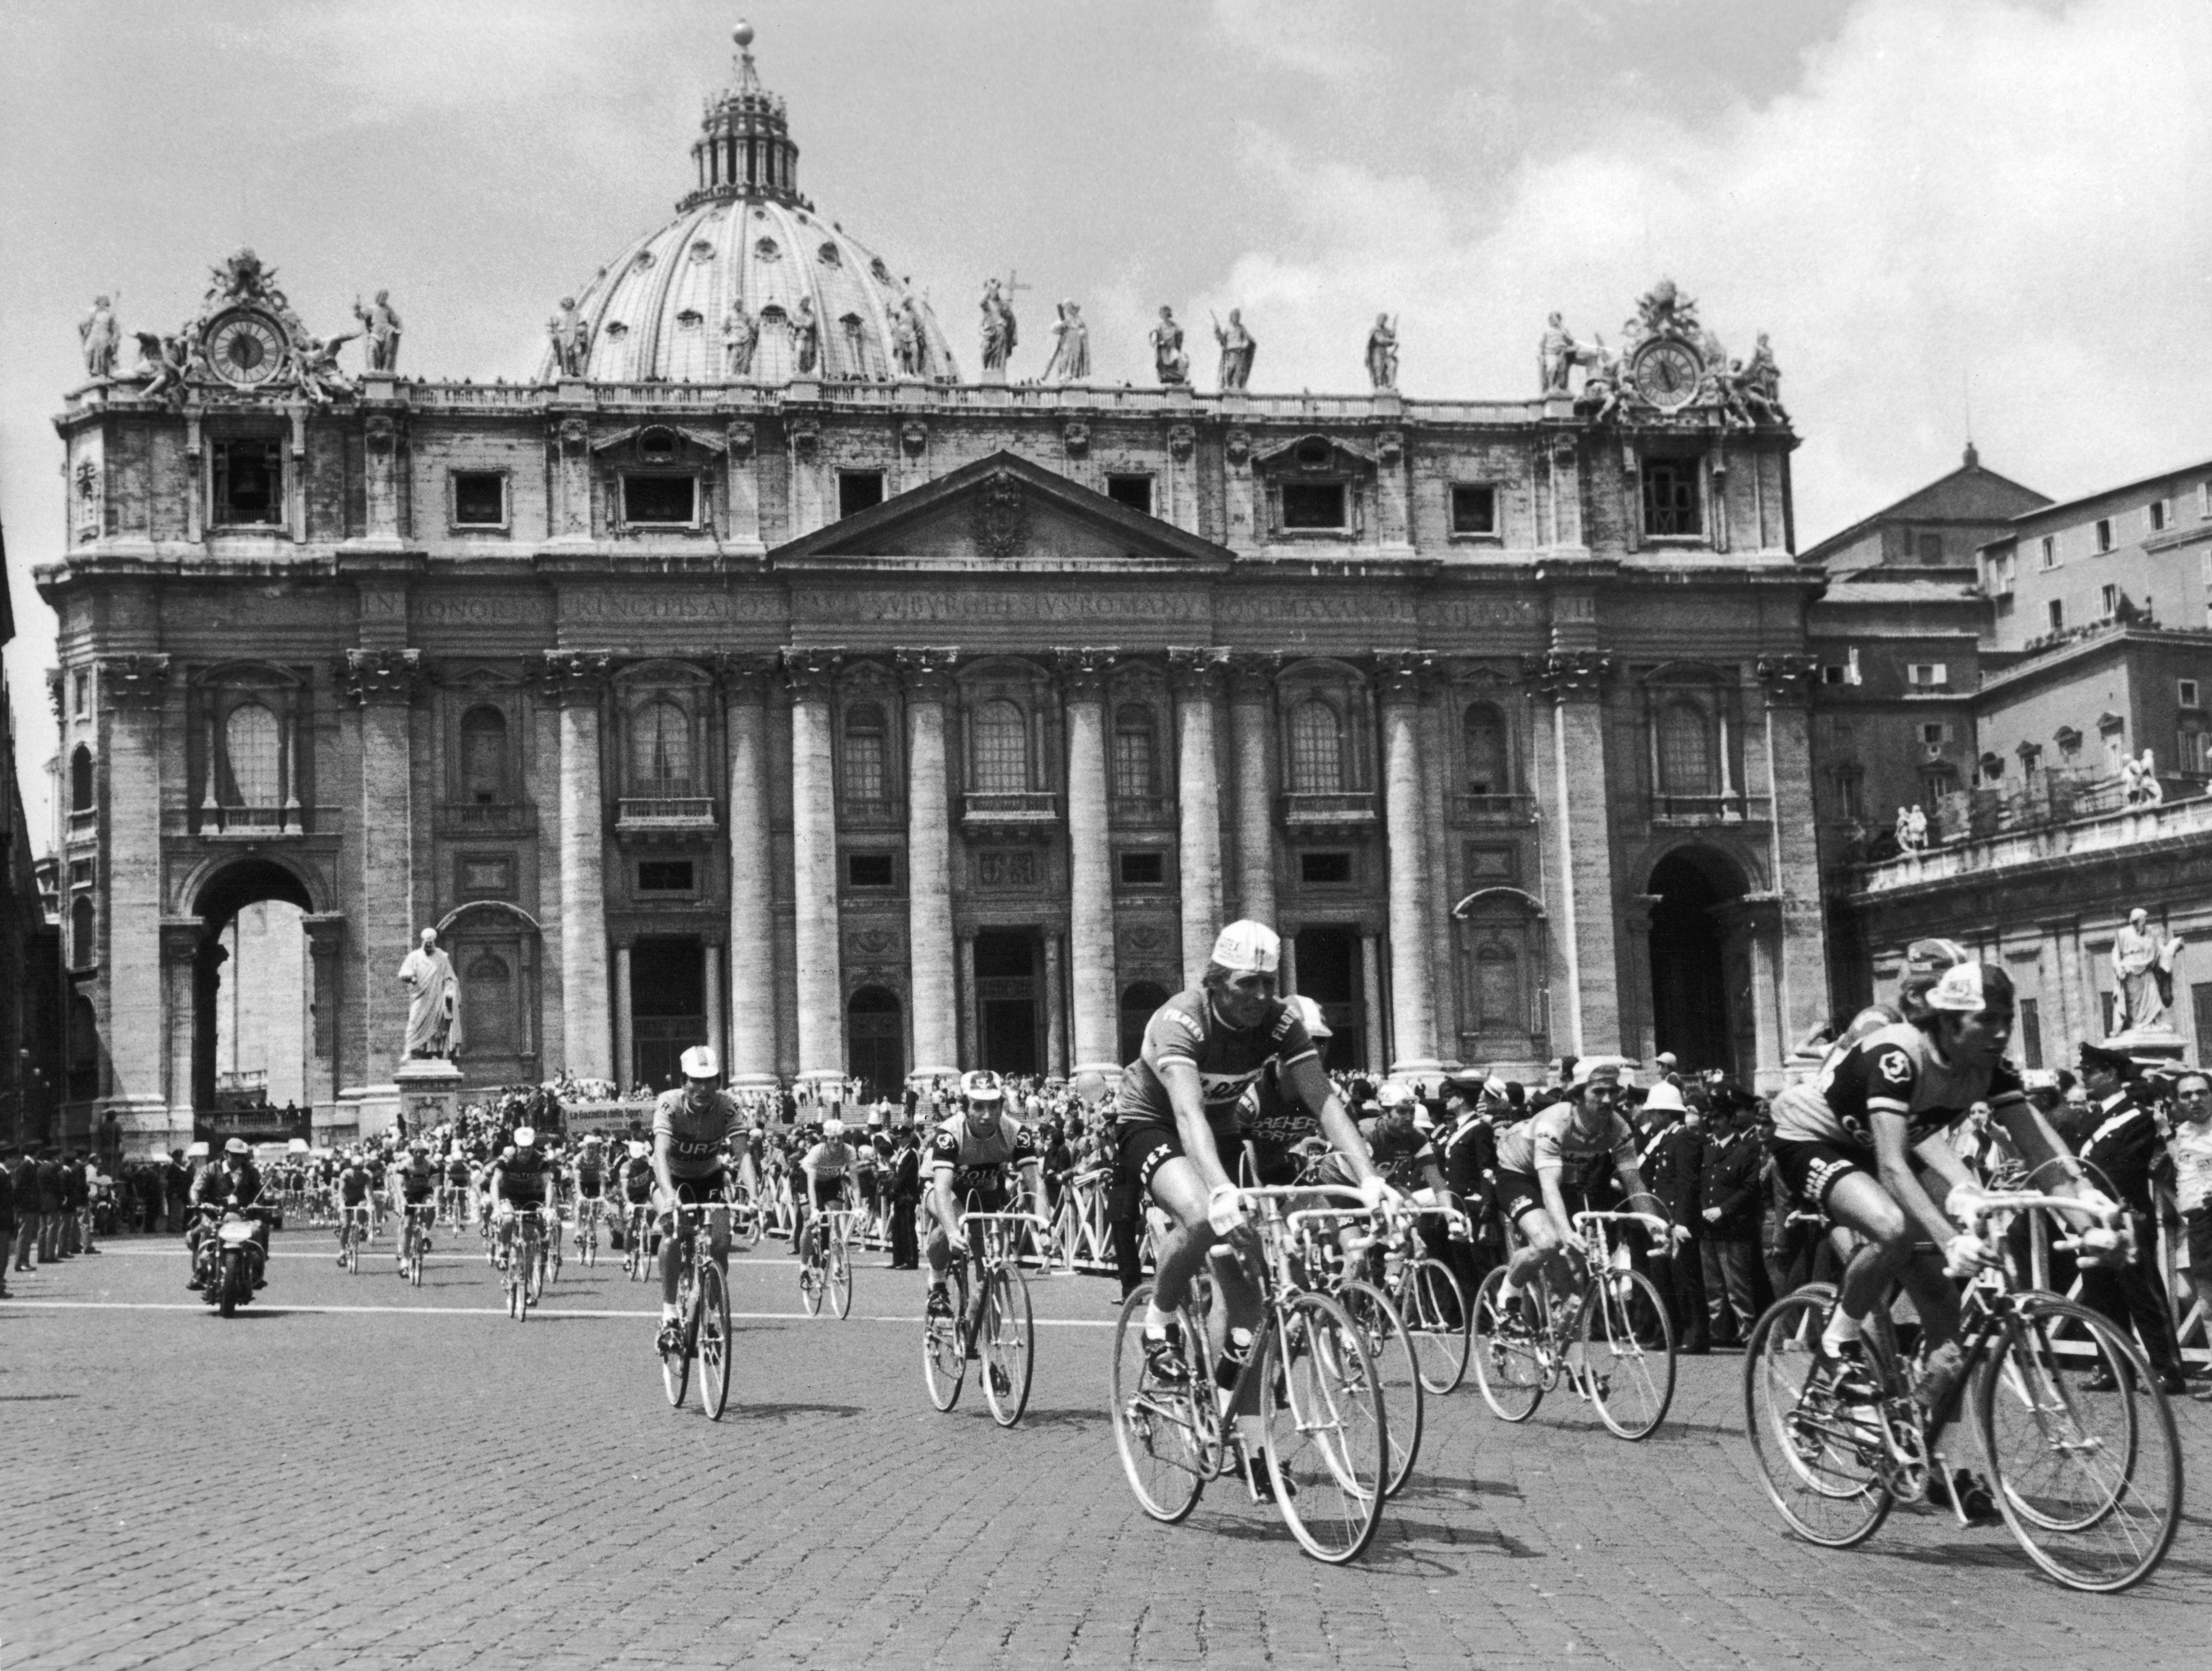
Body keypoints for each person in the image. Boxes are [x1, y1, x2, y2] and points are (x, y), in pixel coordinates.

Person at [1769, 962, 2127, 1471]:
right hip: (1815, 1141)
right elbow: (1894, 1165)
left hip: (1884, 1148)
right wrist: (1948, 1230)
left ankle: (1935, 1458)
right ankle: (1836, 1342)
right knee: (1888, 1235)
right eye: (1987, 1019)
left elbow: (2037, 1150)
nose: (2002, 1031)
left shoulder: (1989, 1066)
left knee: (1942, 1307)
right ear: (1946, 1019)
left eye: (2006, 1017)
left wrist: (2087, 1214)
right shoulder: (1895, 1051)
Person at [1115, 919, 1395, 1495]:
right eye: (1249, 984)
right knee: (1198, 1212)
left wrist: (1368, 1178)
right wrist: (1219, 1194)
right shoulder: (1180, 1019)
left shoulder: (1281, 1019)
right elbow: (1187, 1115)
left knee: (1251, 1307)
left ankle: (1246, 1438)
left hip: (1214, 1130)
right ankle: (1159, 1321)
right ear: (1215, 981)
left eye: (1270, 983)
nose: (1262, 996)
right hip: (1153, 1122)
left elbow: (1324, 1101)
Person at [1490, 1060, 1683, 1328]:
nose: (1608, 1100)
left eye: (1613, 1092)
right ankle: (1508, 1298)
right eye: (1598, 1092)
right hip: (1520, 1174)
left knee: (1575, 1292)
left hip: (1563, 1178)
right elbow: (1548, 1186)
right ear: (1579, 1096)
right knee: (1549, 1241)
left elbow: (1634, 1184)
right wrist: (1565, 1232)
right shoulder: (1555, 1122)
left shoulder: (1619, 1128)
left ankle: (1569, 1361)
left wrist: (1655, 1229)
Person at [2075, 1043, 2187, 1392]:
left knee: (2143, 1296)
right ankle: (2112, 1367)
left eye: (2091, 1071)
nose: (2085, 1078)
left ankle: (2168, 1368)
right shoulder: (2091, 1117)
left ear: (2110, 1074)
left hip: (2127, 1216)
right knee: (2101, 1297)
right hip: (2092, 1219)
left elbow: (2121, 1166)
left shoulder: (2138, 1116)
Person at [924, 1070, 1044, 1354]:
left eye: (993, 1105)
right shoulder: (948, 1134)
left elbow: (1034, 1182)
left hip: (986, 1194)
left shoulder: (1016, 1132)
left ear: (1002, 1105)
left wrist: (1044, 1227)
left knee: (990, 1271)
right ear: (965, 1106)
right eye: (978, 1106)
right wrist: (953, 1231)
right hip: (945, 1189)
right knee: (949, 1225)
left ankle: (977, 1341)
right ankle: (937, 1281)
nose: (987, 1114)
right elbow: (942, 1190)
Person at [649, 1046, 743, 1353]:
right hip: (672, 1178)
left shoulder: (729, 1105)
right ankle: (669, 1314)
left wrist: (757, 1201)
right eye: (696, 1080)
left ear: (718, 1080)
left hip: (709, 1178)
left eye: (710, 1080)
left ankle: (709, 1315)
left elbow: (744, 1155)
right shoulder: (669, 1102)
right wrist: (669, 1197)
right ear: (683, 1080)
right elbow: (661, 1154)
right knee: (673, 1232)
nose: (703, 1087)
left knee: (720, 1243)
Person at [1637, 1079, 1708, 1352]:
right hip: (1664, 1220)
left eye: (1655, 1112)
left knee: (1687, 1281)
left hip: (1679, 1222)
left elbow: (1687, 1183)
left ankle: (1698, 1336)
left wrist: (1680, 1221)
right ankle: (1671, 1332)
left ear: (1667, 1113)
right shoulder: (1668, 1140)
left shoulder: (1685, 1140)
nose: (1651, 1117)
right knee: (1664, 1279)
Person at [487, 1127, 558, 1276]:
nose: (525, 1151)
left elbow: (548, 1185)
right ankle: (504, 1250)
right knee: (508, 1219)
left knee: (528, 1236)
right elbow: (495, 1183)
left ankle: (526, 1272)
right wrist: (496, 1208)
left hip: (531, 1197)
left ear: (533, 1146)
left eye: (528, 1147)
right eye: (522, 1147)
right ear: (516, 1146)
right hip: (509, 1196)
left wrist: (548, 1208)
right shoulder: (506, 1158)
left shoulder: (540, 1159)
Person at [798, 1118, 860, 1265]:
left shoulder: (849, 1151)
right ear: (826, 1139)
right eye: (832, 1139)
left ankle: (838, 1264)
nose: (837, 1142)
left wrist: (858, 1207)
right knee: (809, 1221)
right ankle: (804, 1266)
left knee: (836, 1218)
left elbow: (855, 1183)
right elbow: (811, 1186)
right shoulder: (817, 1151)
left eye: (839, 1138)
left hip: (831, 1180)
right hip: (809, 1179)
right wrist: (814, 1208)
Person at [392, 1142, 438, 1274]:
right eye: (416, 1152)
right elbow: (399, 1185)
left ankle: (425, 1235)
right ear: (412, 1152)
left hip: (425, 1192)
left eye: (422, 1152)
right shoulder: (405, 1165)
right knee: (407, 1226)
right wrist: (402, 1201)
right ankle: (405, 1260)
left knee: (430, 1208)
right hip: (409, 1194)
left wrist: (435, 1201)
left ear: (426, 1153)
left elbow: (436, 1186)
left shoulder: (431, 1165)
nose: (419, 1155)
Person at [887, 1125, 922, 1269]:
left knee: (908, 1228)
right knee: (898, 1228)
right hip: (900, 1195)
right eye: (898, 1137)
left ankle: (911, 1260)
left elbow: (906, 1176)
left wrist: (894, 1190)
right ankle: (899, 1259)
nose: (899, 1139)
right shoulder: (902, 1152)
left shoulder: (912, 1153)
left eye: (902, 1136)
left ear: (909, 1137)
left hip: (907, 1194)